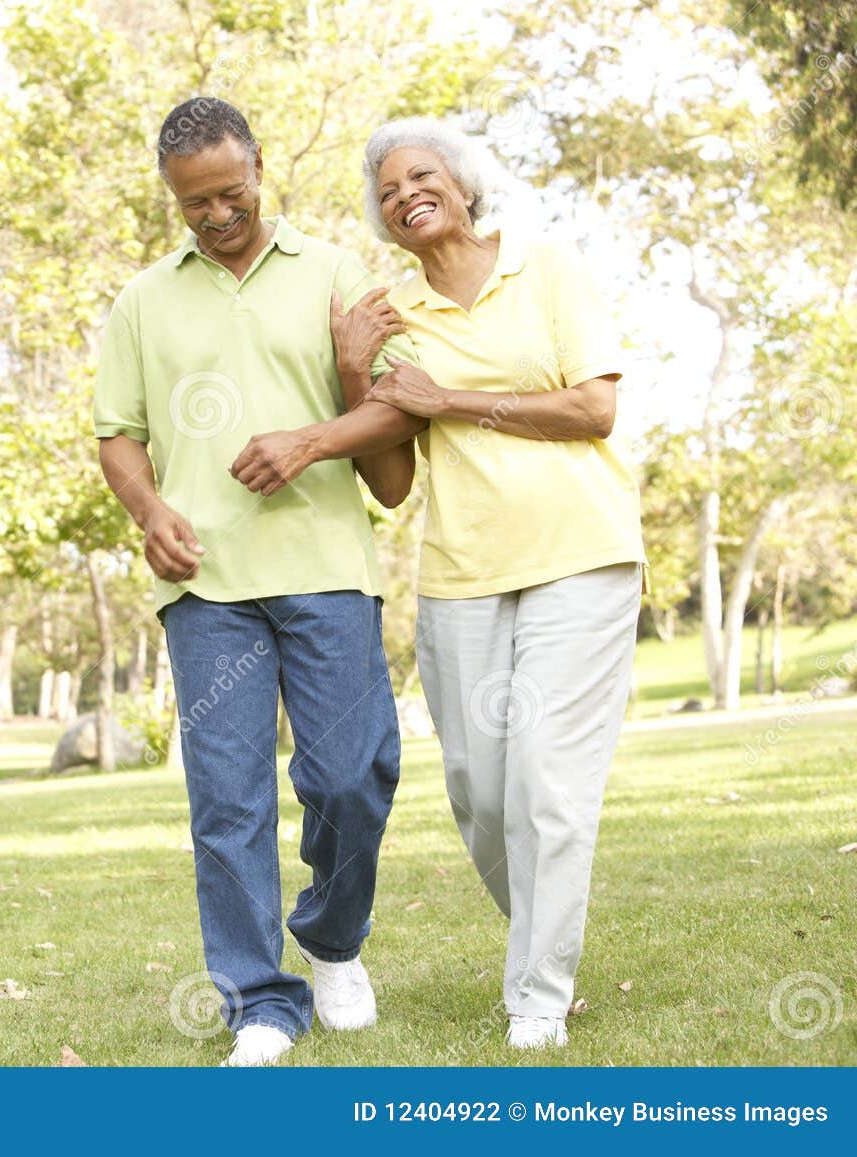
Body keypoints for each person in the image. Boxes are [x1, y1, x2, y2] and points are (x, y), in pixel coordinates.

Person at [239, 116, 646, 1050]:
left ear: (463, 184)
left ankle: (538, 998)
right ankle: (544, 940)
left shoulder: (544, 268)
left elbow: (595, 408)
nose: (404, 195)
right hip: (463, 573)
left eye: (421, 175)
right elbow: (391, 483)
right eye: (385, 191)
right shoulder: (397, 318)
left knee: (547, 783)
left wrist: (452, 400)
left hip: (580, 555)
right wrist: (354, 374)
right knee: (482, 795)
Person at [93, 96, 424, 1067]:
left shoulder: (333, 274)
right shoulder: (143, 302)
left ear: (260, 168)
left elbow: (399, 416)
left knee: (352, 772)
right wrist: (150, 513)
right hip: (207, 591)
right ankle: (259, 1003)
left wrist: (309, 437)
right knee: (227, 801)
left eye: (228, 194)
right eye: (192, 204)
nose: (214, 216)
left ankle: (328, 934)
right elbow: (119, 434)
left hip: (325, 568)